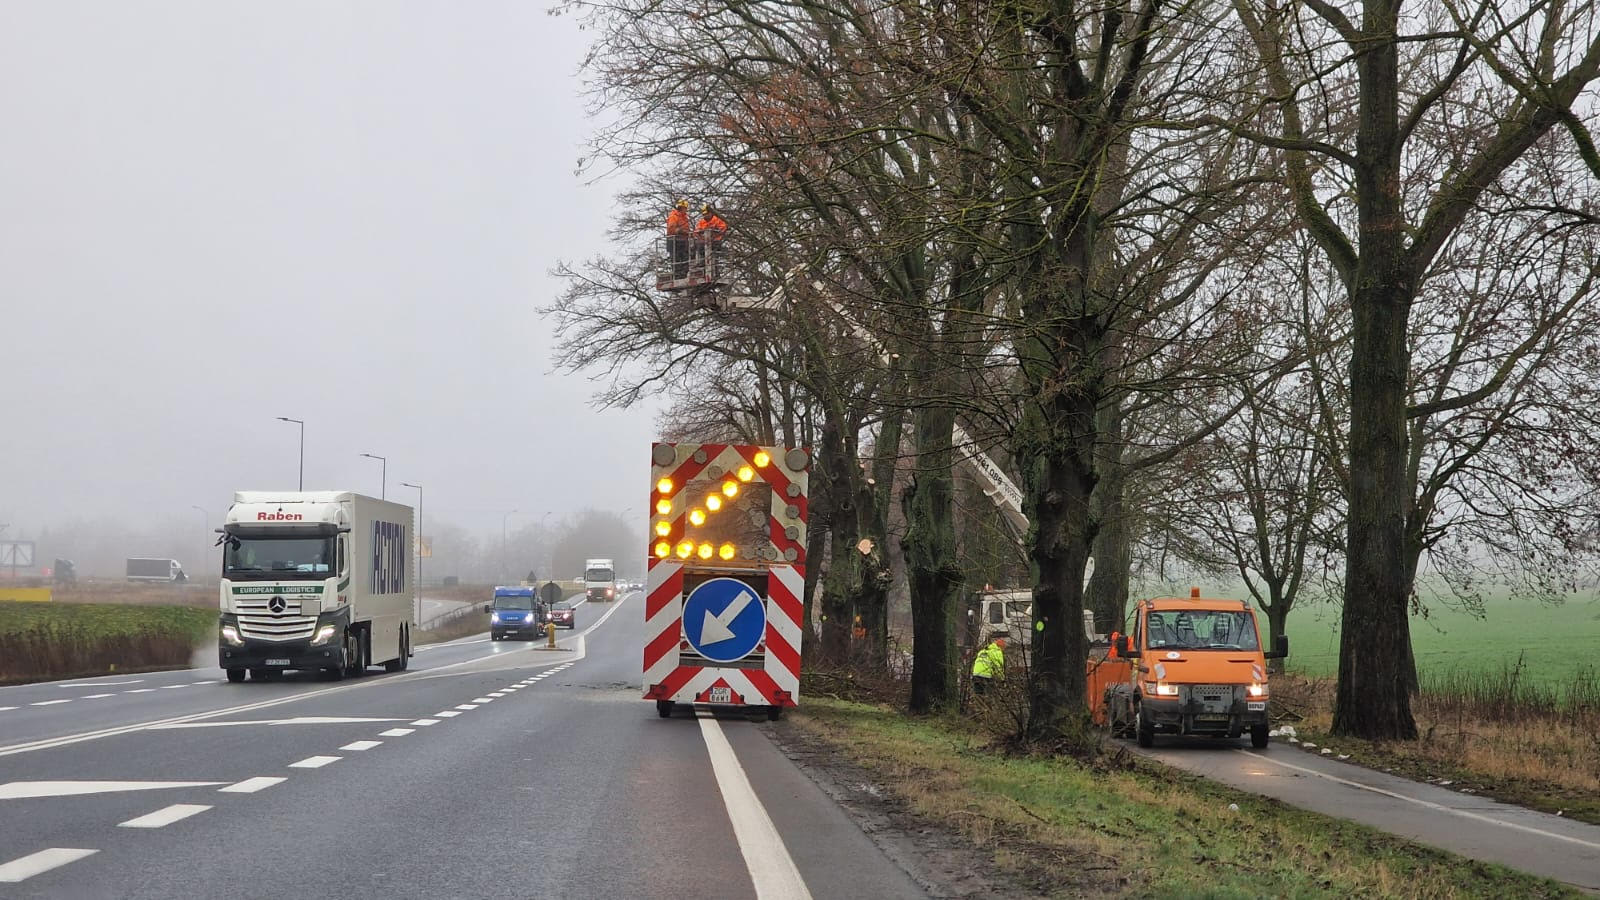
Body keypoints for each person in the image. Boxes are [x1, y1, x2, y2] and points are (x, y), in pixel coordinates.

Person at [695, 202, 728, 271]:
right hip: (704, 242)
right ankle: (703, 263)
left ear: (711, 213)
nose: (705, 216)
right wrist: (701, 234)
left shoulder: (717, 219)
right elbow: (696, 231)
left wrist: (715, 231)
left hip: (715, 241)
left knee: (714, 257)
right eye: (704, 214)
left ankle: (715, 270)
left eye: (706, 214)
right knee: (699, 247)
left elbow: (723, 228)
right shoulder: (701, 222)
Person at [666, 199, 692, 278]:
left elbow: (686, 229)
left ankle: (683, 274)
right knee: (676, 259)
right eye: (685, 208)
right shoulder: (674, 216)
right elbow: (672, 229)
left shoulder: (684, 217)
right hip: (674, 241)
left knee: (685, 259)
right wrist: (682, 231)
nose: (686, 210)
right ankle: (677, 275)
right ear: (681, 207)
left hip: (683, 241)